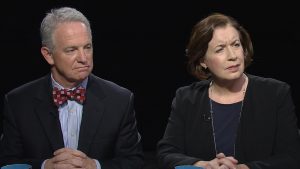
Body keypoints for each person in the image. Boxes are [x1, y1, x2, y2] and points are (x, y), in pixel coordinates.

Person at [0, 7, 144, 169]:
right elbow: (6, 162)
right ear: (48, 55)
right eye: (71, 50)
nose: (83, 58)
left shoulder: (120, 100)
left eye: (87, 47)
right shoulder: (18, 102)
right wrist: (44, 166)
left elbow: (134, 162)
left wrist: (95, 166)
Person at [157, 13, 300, 169]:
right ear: (202, 60)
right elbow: (166, 153)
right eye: (220, 49)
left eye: (236, 44)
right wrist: (203, 165)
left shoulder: (276, 93)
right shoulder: (186, 98)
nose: (232, 56)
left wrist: (243, 168)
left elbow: (291, 157)